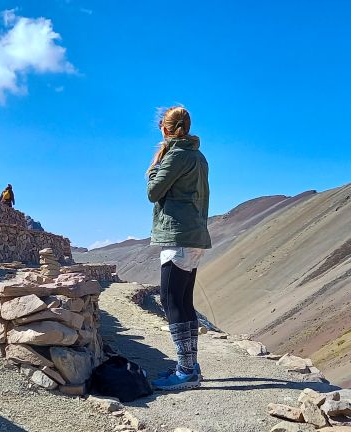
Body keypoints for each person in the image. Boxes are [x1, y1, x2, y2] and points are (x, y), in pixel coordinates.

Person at [145, 106, 210, 391]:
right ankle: (189, 366)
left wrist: (153, 169)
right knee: (183, 302)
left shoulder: (176, 155)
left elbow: (153, 192)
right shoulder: (198, 156)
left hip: (178, 236)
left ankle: (185, 371)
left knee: (171, 302)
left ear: (165, 128)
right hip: (194, 233)